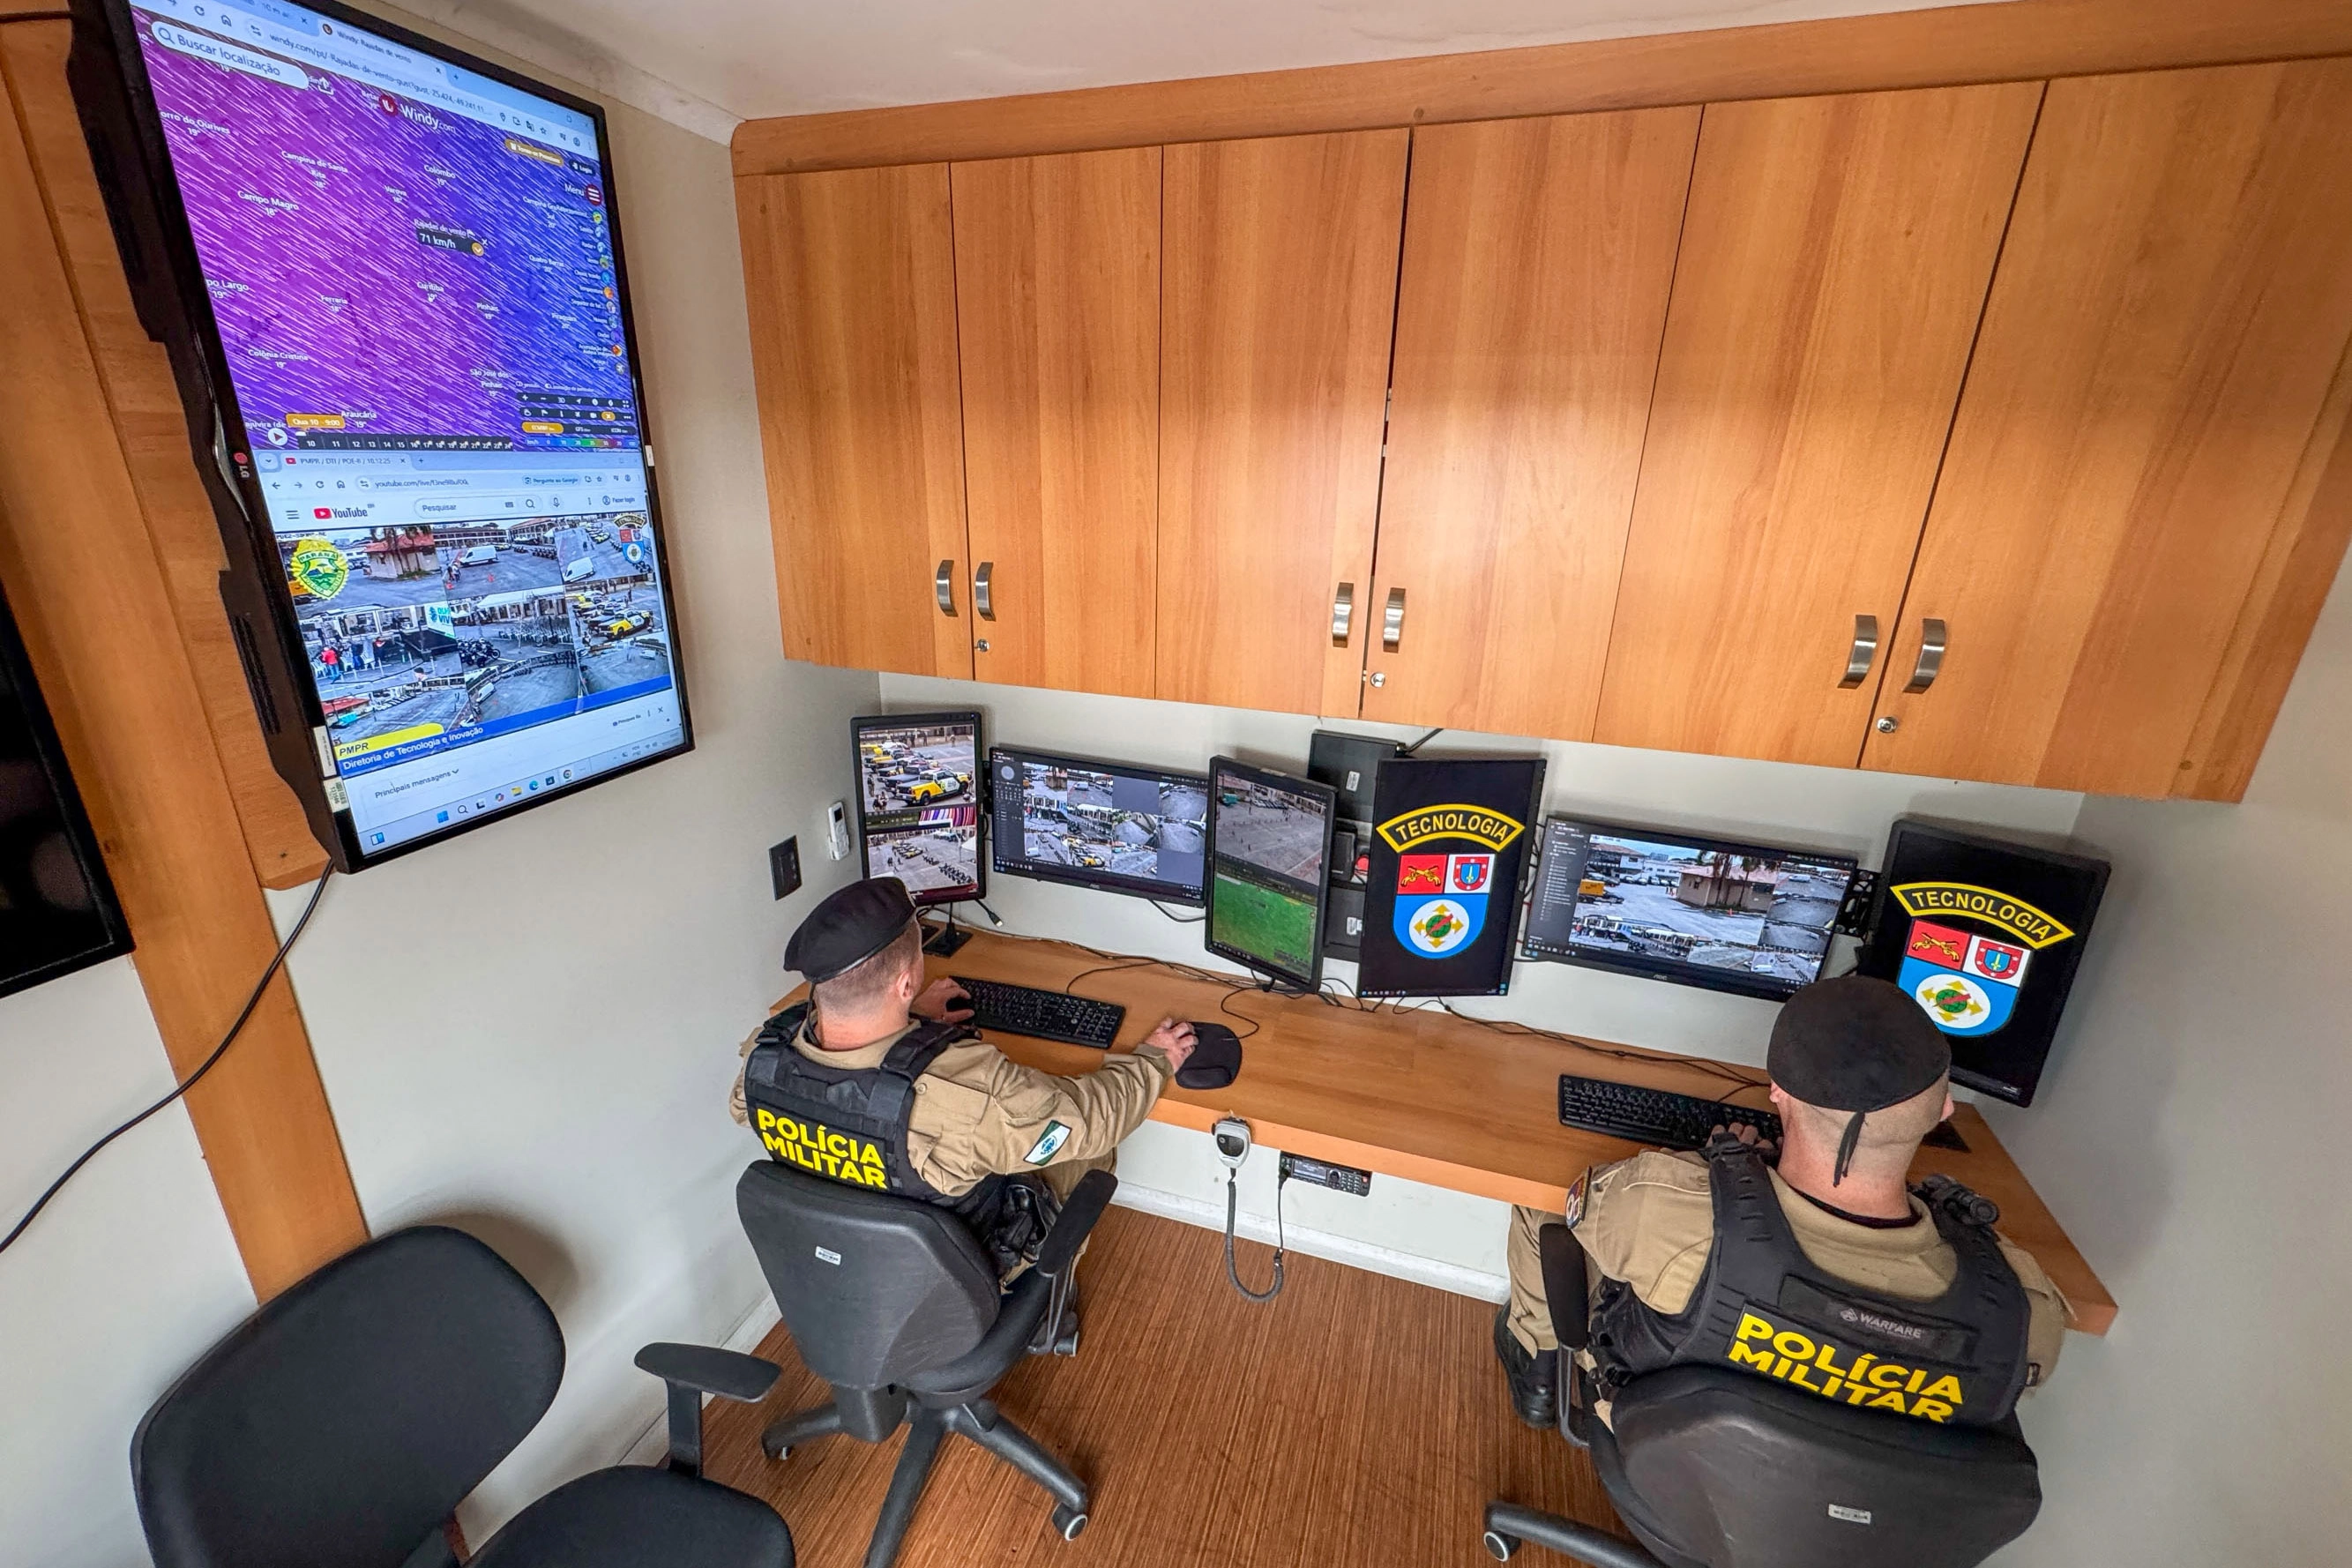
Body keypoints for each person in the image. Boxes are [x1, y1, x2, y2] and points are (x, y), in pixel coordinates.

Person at [1497, 975, 2069, 1433]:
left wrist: (1715, 1165)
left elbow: (1592, 1199)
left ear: (1777, 1092)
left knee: (1542, 1206)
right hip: (1872, 1516)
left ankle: (1539, 1375)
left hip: (1670, 1452)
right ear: (1943, 1111)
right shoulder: (2025, 1308)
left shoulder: (1668, 1213)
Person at [730, 876, 1196, 1303]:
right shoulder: (968, 1095)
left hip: (841, 1262)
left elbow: (827, 1096)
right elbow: (1091, 1120)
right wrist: (1156, 1060)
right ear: (906, 983)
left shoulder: (762, 1062)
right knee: (1090, 1147)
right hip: (948, 1281)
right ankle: (1045, 1298)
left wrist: (912, 1020)